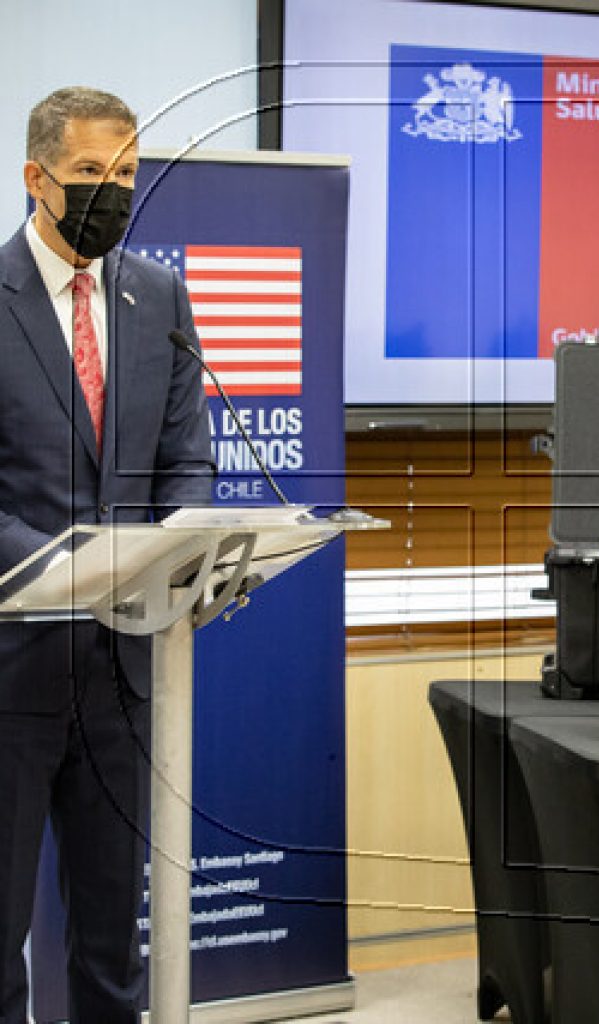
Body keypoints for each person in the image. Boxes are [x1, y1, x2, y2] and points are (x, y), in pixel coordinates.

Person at [0, 87, 215, 1023]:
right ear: (36, 178)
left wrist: (184, 544)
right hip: (14, 671)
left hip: (128, 671)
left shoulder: (157, 294)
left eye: (125, 173)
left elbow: (186, 459)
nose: (112, 191)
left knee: (110, 940)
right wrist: (66, 570)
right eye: (91, 173)